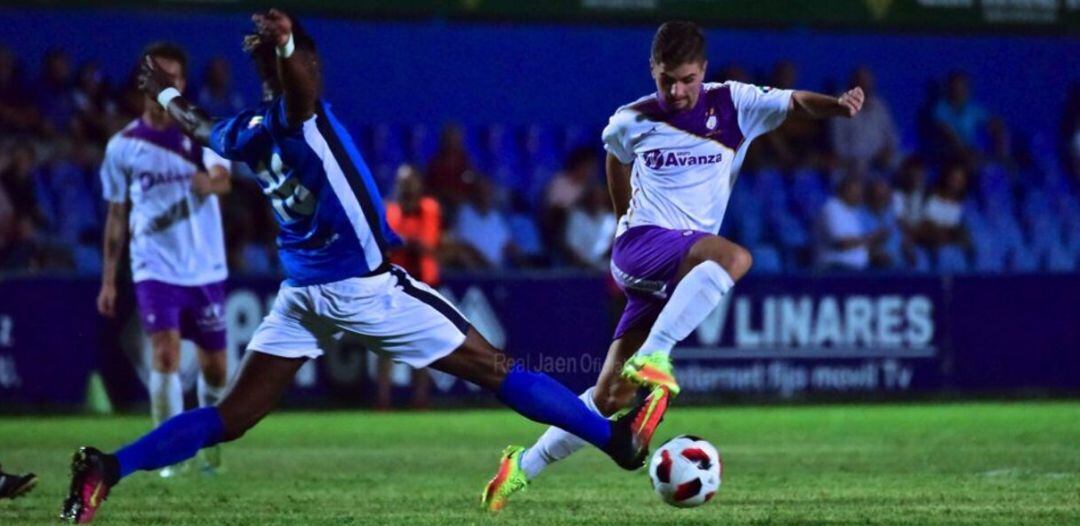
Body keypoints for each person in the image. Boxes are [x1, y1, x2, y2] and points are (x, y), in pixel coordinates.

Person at [61, 10, 656, 524]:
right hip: (362, 287)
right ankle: (617, 441)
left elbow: (197, 125)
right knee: (496, 368)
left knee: (232, 416)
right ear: (305, 71)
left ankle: (109, 467)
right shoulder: (300, 116)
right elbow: (297, 89)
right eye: (310, 69)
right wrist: (289, 46)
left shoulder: (244, 132)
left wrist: (164, 94)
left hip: (302, 293)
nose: (317, 77)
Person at [483, 20, 865, 511]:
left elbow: (794, 102)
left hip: (673, 268)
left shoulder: (734, 103)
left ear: (703, 71)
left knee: (609, 398)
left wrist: (835, 106)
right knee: (733, 256)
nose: (678, 90)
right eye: (667, 80)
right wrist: (624, 219)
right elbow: (614, 157)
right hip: (642, 247)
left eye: (686, 79)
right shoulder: (631, 119)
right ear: (653, 72)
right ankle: (657, 356)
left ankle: (521, 466)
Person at [94, 43, 233, 478]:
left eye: (174, 78)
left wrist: (206, 183)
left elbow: (224, 181)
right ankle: (169, 457)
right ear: (144, 81)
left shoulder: (199, 133)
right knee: (166, 354)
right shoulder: (123, 146)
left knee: (216, 368)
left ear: (183, 84)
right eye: (160, 77)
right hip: (153, 266)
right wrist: (109, 281)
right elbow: (117, 215)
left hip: (204, 265)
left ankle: (209, 445)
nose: (167, 85)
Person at [381, 164, 442, 409]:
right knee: (384, 345)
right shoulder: (390, 210)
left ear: (419, 183)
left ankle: (420, 401)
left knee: (424, 345)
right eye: (401, 182)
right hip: (392, 286)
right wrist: (407, 243)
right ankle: (383, 402)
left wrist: (404, 242)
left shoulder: (429, 208)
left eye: (409, 182)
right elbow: (386, 245)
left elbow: (427, 245)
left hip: (424, 285)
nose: (405, 187)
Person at [830, 66, 900, 174]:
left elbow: (892, 137)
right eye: (860, 82)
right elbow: (838, 145)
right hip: (854, 163)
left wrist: (887, 152)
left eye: (867, 83)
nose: (864, 86)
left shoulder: (879, 106)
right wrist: (861, 158)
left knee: (903, 162)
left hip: (880, 161)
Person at [816, 173, 880, 271]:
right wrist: (870, 238)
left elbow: (857, 242)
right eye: (855, 192)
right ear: (843, 191)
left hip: (855, 269)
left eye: (860, 193)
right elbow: (842, 244)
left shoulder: (853, 210)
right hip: (836, 268)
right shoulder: (832, 208)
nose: (859, 196)